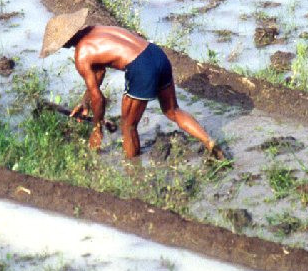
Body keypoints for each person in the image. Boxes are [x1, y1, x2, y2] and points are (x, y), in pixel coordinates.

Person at [40, 8, 223, 160]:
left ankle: (133, 169)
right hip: (156, 54)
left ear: (63, 43)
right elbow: (99, 73)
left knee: (128, 126)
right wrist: (84, 102)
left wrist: (97, 128)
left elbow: (99, 98)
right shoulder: (97, 29)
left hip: (140, 66)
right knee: (173, 111)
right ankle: (209, 141)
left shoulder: (82, 55)